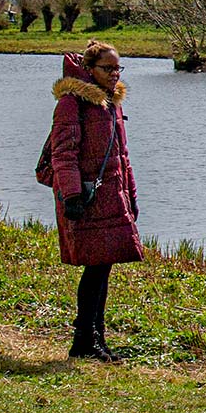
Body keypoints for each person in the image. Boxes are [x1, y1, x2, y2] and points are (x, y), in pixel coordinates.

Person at [47, 43, 144, 361]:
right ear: (89, 69)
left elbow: (122, 156)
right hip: (86, 198)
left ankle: (94, 341)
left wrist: (131, 194)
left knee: (102, 268)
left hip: (111, 197)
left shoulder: (112, 102)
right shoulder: (71, 103)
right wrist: (72, 196)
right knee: (96, 269)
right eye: (108, 69)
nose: (115, 75)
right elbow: (64, 154)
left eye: (118, 69)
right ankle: (84, 341)